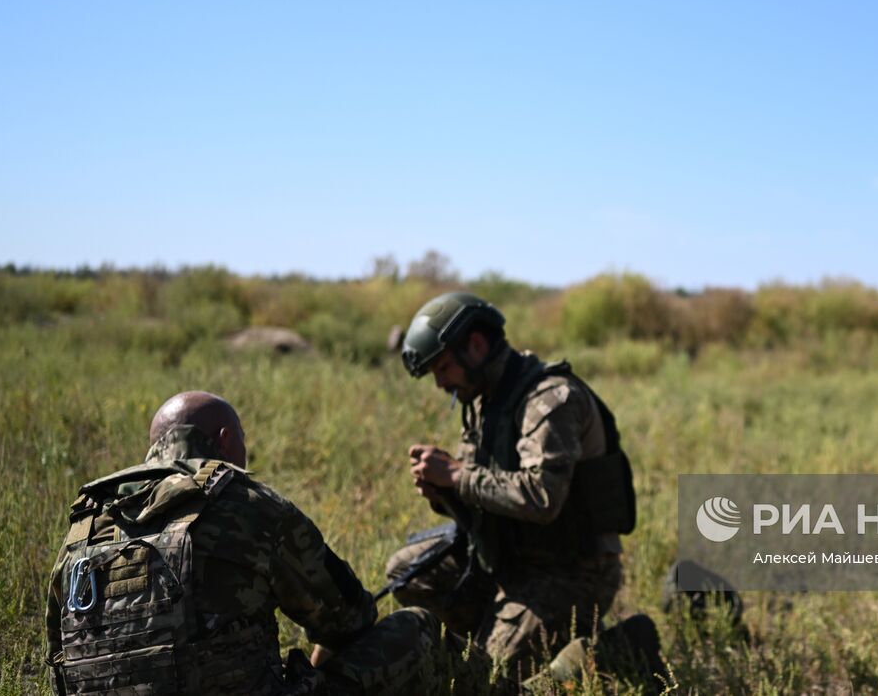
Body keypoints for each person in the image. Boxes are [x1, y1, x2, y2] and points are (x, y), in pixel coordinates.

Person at [45, 391, 442, 695]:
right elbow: (348, 618)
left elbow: (59, 661)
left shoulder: (86, 523)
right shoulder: (249, 504)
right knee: (415, 626)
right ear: (226, 441)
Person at [387, 292, 635, 682]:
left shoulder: (549, 400)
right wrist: (446, 494)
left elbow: (542, 498)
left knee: (490, 677)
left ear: (476, 345)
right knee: (407, 572)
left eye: (444, 368)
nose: (440, 384)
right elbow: (483, 493)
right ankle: (496, 632)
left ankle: (607, 651)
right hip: (510, 558)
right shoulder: (487, 401)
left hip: (570, 571)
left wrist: (455, 477)